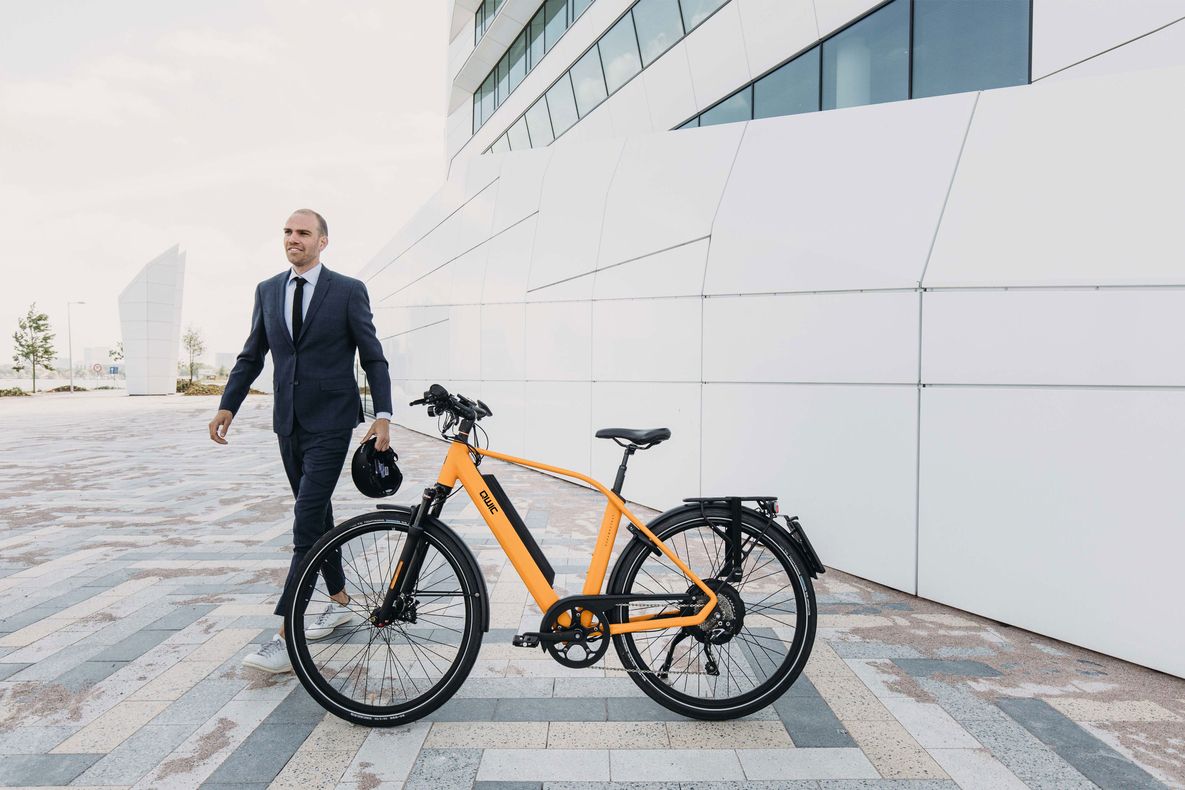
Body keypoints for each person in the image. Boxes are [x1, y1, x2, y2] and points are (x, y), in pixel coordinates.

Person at [208, 208, 393, 673]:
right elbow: (252, 353)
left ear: (322, 242)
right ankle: (339, 597)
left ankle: (286, 634)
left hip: (332, 421)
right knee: (318, 511)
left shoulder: (348, 291)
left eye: (303, 233)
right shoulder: (268, 290)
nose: (293, 239)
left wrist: (384, 416)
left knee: (305, 518)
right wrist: (228, 404)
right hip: (287, 423)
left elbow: (373, 357)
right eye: (288, 232)